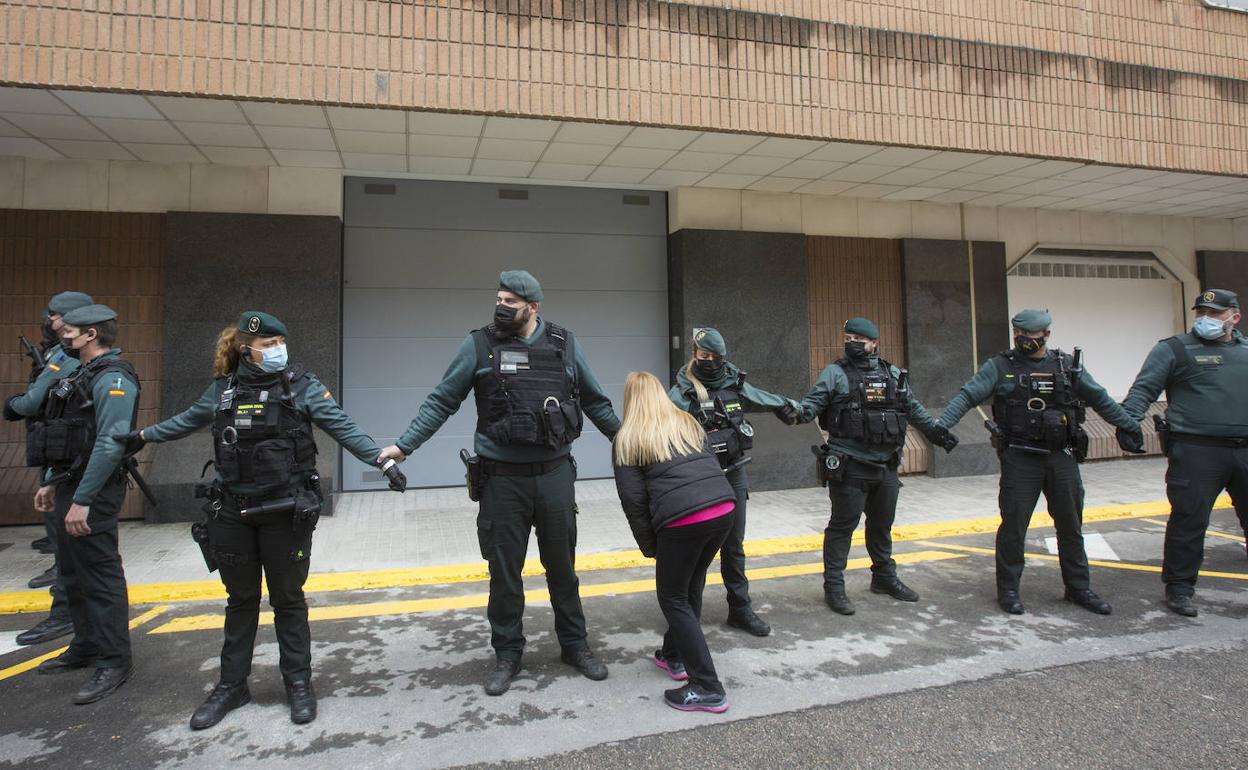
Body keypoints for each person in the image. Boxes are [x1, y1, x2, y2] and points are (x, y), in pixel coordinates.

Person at [114, 311, 405, 729]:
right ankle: (232, 685)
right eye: (267, 346)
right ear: (245, 349)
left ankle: (298, 683)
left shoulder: (302, 387)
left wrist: (381, 461)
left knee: (288, 600)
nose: (276, 351)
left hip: (285, 510)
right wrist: (142, 437)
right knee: (241, 601)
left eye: (279, 344)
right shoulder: (223, 390)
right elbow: (186, 421)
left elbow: (343, 426)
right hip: (231, 511)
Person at [377, 270, 620, 697]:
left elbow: (597, 400)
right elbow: (442, 399)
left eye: (510, 300)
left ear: (534, 307)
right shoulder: (479, 345)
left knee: (562, 568)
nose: (501, 306)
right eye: (499, 298)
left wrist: (626, 440)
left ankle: (575, 645)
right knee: (504, 573)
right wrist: (405, 445)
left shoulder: (565, 344)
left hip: (555, 475)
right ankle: (507, 654)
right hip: (502, 481)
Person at [936, 309, 1144, 616]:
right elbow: (967, 396)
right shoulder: (1000, 366)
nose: (1023, 341)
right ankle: (1008, 589)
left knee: (1071, 525)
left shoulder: (1067, 366)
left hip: (1061, 457)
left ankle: (1078, 587)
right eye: (1018, 335)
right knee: (1014, 527)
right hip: (1020, 458)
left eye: (1030, 336)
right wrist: (940, 427)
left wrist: (1129, 425)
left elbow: (1100, 399)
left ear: (1046, 335)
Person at [784, 317, 957, 615]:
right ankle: (834, 587)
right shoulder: (835, 373)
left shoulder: (892, 374)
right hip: (850, 466)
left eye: (858, 339)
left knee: (881, 527)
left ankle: (884, 578)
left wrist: (936, 433)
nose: (852, 343)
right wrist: (796, 412)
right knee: (842, 528)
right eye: (848, 338)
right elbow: (812, 403)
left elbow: (912, 408)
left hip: (886, 467)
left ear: (874, 343)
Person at [30, 304, 139, 705]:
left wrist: (83, 499)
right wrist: (51, 483)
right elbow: (65, 435)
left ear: (92, 334)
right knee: (73, 573)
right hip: (69, 487)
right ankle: (87, 645)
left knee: (100, 574)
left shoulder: (113, 377)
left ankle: (114, 659)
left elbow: (110, 443)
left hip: (92, 492)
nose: (63, 336)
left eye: (70, 332)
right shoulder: (78, 372)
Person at [1118, 289, 1248, 617]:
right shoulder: (1173, 349)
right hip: (1197, 450)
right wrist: (1128, 423)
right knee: (1189, 520)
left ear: (1235, 316)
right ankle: (1179, 587)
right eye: (1201, 312)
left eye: (1215, 313)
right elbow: (1143, 389)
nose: (1206, 319)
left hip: (1244, 449)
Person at [614, 371, 736, 713]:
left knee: (672, 597)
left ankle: (708, 687)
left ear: (630, 400)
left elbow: (634, 502)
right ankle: (674, 656)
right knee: (689, 586)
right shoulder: (686, 421)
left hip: (683, 520)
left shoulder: (628, 437)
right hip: (724, 509)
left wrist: (651, 547)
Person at [667, 327, 801, 637]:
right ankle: (687, 615)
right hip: (699, 480)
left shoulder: (733, 384)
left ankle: (740, 610)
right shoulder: (682, 391)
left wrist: (791, 407)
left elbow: (763, 398)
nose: (710, 362)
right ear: (694, 356)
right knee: (695, 548)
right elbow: (660, 426)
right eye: (704, 356)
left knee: (734, 546)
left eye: (716, 357)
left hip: (734, 473)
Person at [5, 291, 93, 647]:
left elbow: (31, 402)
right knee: (70, 552)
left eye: (57, 316)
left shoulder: (69, 359)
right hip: (60, 461)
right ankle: (76, 623)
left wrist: (13, 405)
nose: (52, 322)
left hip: (68, 464)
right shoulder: (61, 355)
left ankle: (65, 617)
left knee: (71, 555)